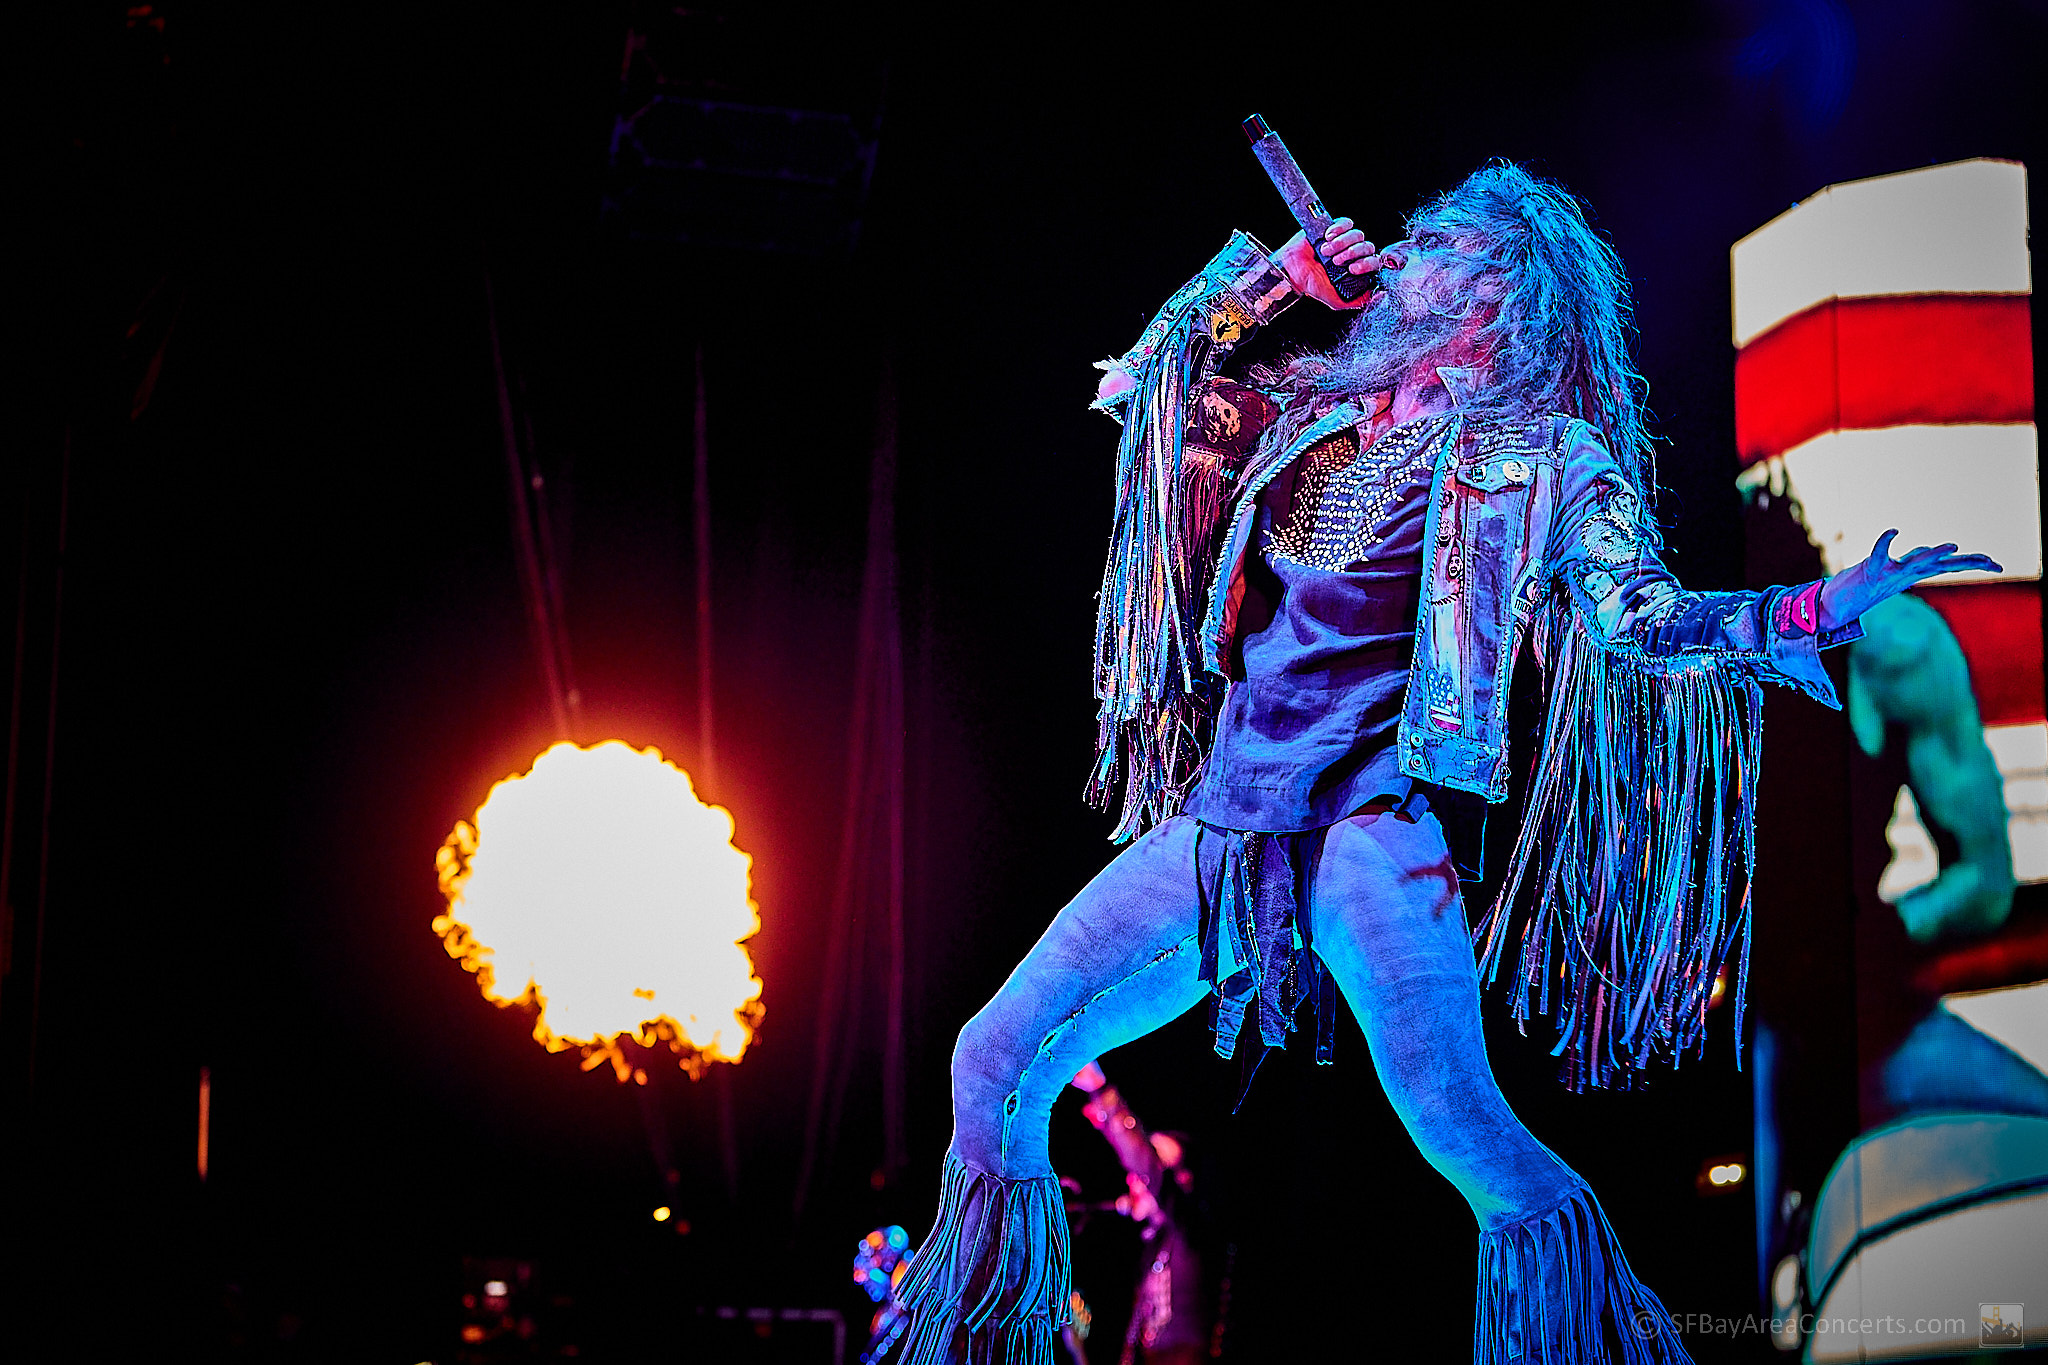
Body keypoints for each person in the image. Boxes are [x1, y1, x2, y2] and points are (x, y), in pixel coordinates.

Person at [894, 161, 1997, 1363]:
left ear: (1495, 294)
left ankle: (1607, 1348)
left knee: (1467, 1138)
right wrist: (1271, 287)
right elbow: (1151, 387)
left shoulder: (1542, 458)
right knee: (993, 1056)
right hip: (1220, 827)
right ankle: (986, 1340)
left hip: (1370, 837)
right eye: (1408, 241)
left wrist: (1810, 611)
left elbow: (1640, 618)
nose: (1401, 254)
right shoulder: (1308, 408)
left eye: (1435, 246)